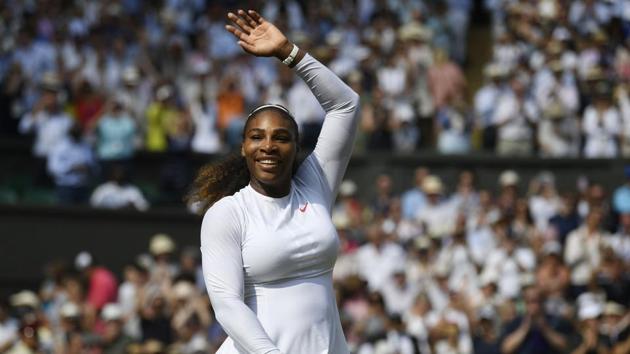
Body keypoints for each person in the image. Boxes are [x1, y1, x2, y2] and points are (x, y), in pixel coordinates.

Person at [189, 9, 360, 354]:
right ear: (243, 147)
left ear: (297, 146)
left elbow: (346, 105)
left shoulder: (315, 184)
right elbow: (227, 305)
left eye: (281, 137)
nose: (268, 145)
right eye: (257, 137)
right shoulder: (228, 214)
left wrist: (289, 53)